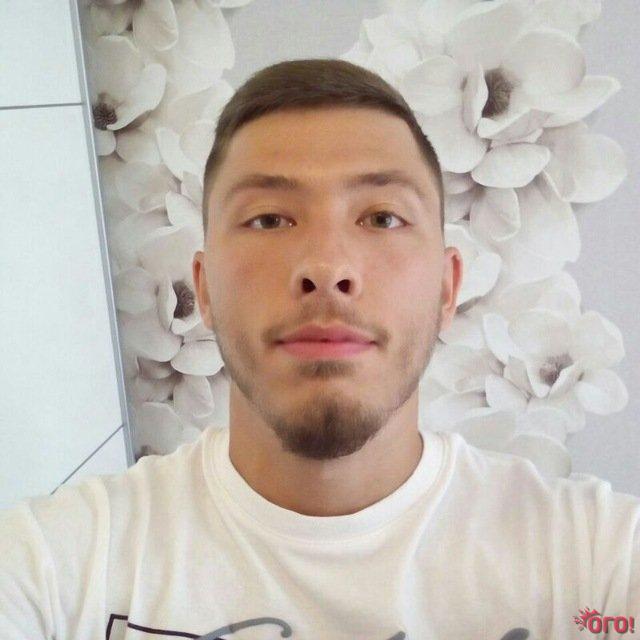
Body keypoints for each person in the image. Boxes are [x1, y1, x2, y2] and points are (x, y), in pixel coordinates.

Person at [1, 58, 638, 640]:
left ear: (447, 288)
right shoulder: (53, 566)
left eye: (382, 217)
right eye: (269, 219)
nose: (327, 268)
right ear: (206, 289)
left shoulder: (597, 561)